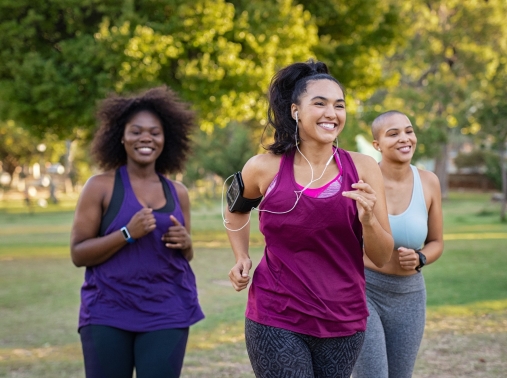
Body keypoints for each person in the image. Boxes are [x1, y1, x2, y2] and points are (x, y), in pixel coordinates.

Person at [224, 60, 394, 377]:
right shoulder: (264, 167)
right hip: (275, 314)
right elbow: (235, 208)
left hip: (343, 318)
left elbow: (382, 257)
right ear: (295, 111)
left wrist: (369, 220)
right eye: (320, 103)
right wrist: (240, 256)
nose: (332, 113)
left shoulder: (364, 169)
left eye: (339, 105)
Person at [70, 86, 204, 378]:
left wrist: (187, 243)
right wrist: (127, 233)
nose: (146, 138)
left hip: (167, 310)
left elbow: (187, 254)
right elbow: (78, 254)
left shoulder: (178, 192)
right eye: (136, 131)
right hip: (108, 310)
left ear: (165, 139)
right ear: (121, 136)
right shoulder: (100, 187)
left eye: (155, 132)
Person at [352, 110, 444, 378]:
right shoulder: (361, 183)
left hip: (410, 296)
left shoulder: (429, 182)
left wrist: (421, 258)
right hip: (365, 291)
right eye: (393, 134)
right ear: (377, 145)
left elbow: (437, 242)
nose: (405, 138)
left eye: (409, 131)